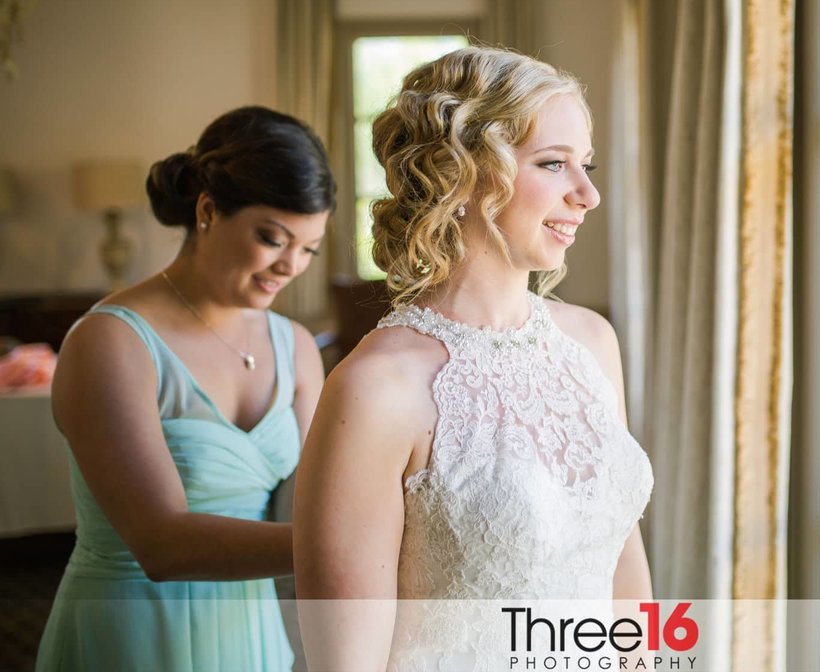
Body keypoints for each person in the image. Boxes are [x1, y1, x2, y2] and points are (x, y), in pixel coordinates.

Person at [293, 47, 654, 670]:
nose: (588, 194)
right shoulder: (377, 389)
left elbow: (623, 556)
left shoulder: (593, 343)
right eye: (554, 164)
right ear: (461, 176)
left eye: (586, 165)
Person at [36, 106, 335, 672]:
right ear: (207, 210)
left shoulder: (295, 346)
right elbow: (162, 544)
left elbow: (309, 504)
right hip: (134, 632)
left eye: (309, 248)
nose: (290, 265)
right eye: (272, 238)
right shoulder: (112, 342)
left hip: (251, 634)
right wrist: (344, 546)